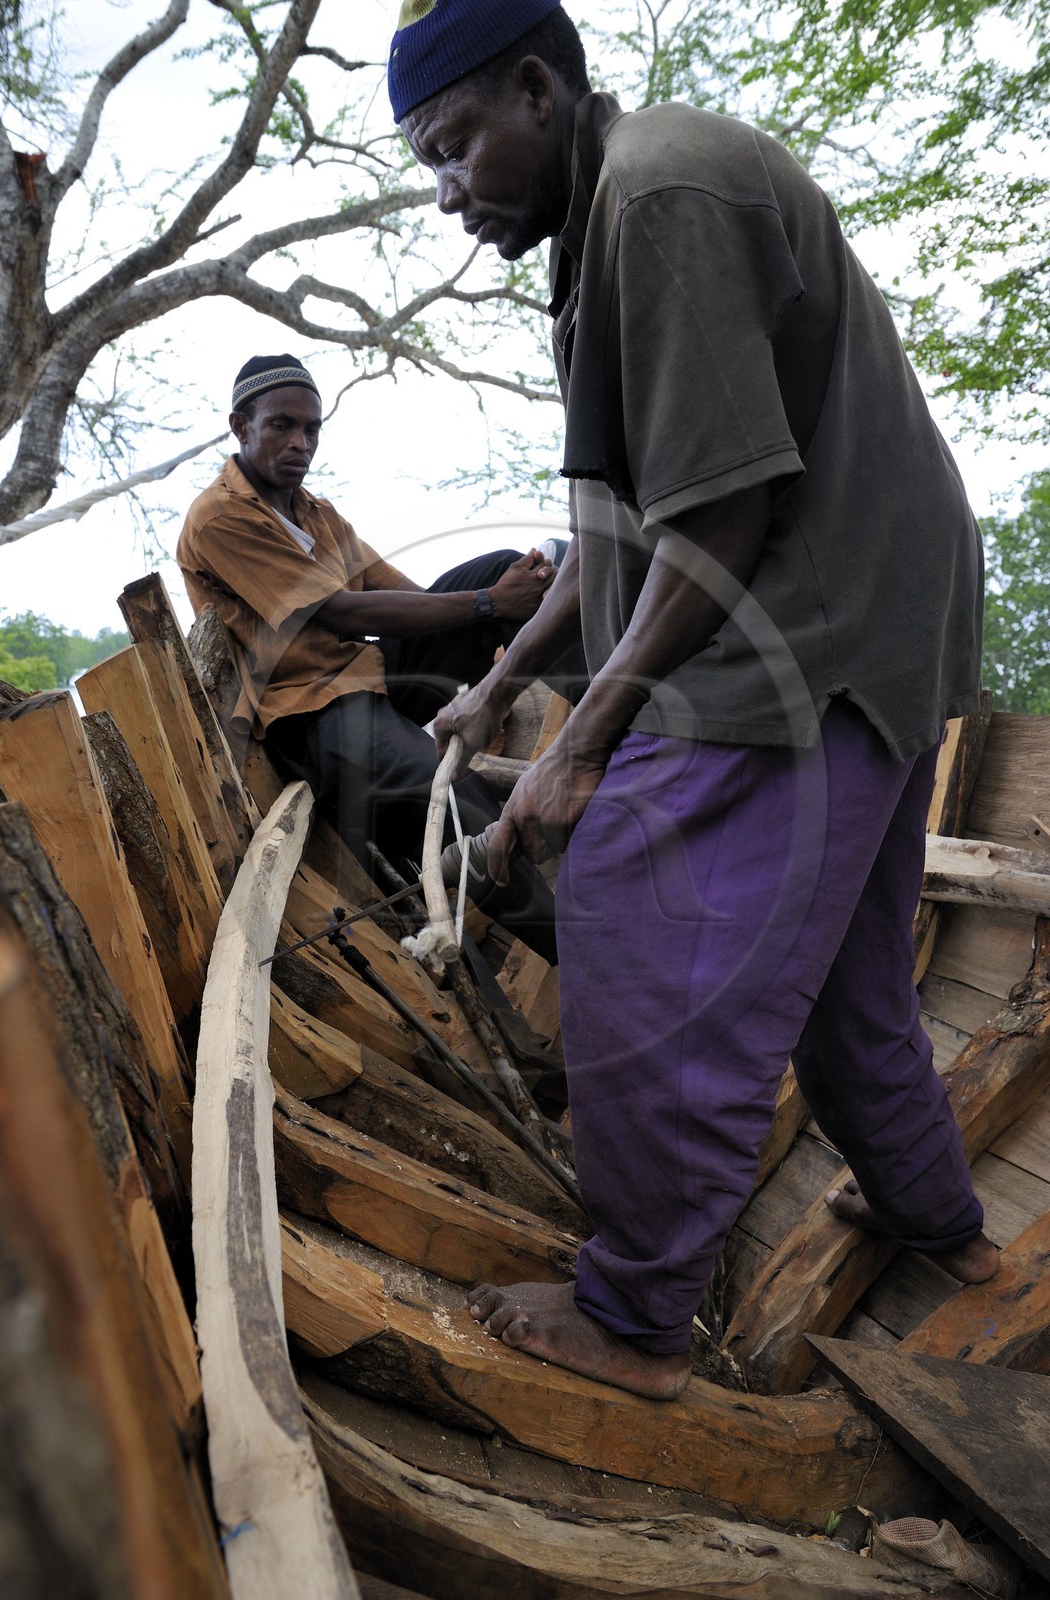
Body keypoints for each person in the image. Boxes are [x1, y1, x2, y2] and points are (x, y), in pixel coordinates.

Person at [387, 0, 999, 1399]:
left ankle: (639, 1315)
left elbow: (720, 523)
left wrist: (575, 758)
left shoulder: (659, 195)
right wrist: (498, 692)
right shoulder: (598, 235)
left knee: (628, 908)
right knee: (848, 986)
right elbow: (614, 531)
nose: (444, 192)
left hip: (814, 616)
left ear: (538, 91)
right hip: (872, 619)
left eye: (454, 144)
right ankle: (942, 1224)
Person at [176, 354, 560, 961]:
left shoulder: (317, 513)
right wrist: (488, 604)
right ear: (239, 426)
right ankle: (582, 951)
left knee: (506, 563)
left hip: (376, 682)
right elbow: (342, 612)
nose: (300, 443)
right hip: (312, 714)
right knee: (459, 800)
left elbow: (407, 597)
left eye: (312, 429)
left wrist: (501, 605)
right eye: (282, 426)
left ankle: (618, 714)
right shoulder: (220, 517)